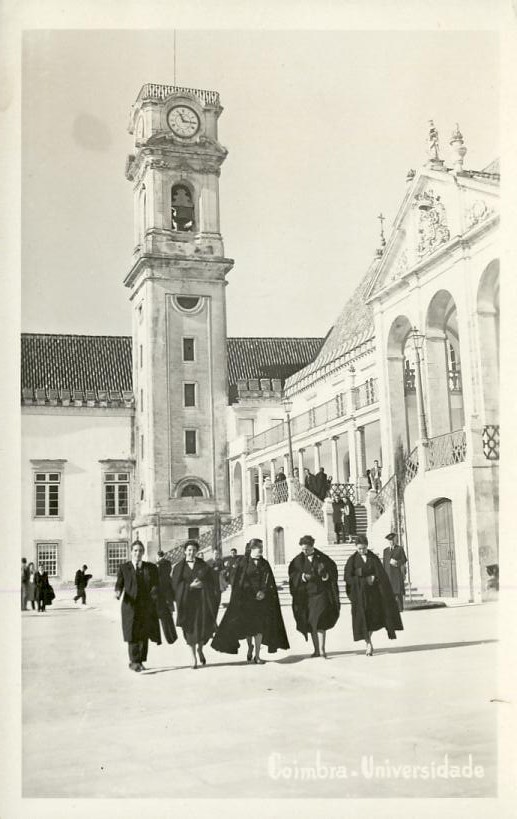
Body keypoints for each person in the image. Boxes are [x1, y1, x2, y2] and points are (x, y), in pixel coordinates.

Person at [212, 538, 289, 663]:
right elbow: (238, 581)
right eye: (259, 548)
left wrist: (263, 592)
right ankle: (250, 647)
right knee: (249, 628)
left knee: (259, 628)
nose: (261, 550)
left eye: (262, 548)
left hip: (261, 601)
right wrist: (251, 592)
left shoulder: (265, 564)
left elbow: (268, 580)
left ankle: (257, 655)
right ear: (252, 549)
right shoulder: (243, 563)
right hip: (247, 600)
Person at [344, 534, 403, 656]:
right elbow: (348, 578)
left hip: (374, 596)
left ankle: (368, 641)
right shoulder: (352, 560)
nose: (362, 551)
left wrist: (375, 578)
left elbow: (381, 574)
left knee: (371, 620)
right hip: (360, 596)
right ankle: (368, 644)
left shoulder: (373, 558)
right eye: (359, 548)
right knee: (363, 619)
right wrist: (363, 579)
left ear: (367, 546)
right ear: (356, 547)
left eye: (364, 548)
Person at [288, 535, 340, 658]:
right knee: (312, 622)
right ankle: (316, 649)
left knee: (321, 620)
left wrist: (325, 576)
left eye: (306, 549)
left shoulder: (323, 558)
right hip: (306, 596)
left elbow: (333, 572)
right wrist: (302, 577)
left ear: (312, 547)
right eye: (302, 549)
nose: (304, 552)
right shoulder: (297, 561)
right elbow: (292, 575)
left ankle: (322, 650)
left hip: (321, 594)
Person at [171, 540, 220, 669]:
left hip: (202, 602)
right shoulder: (178, 567)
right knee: (190, 630)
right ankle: (193, 658)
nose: (191, 552)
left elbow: (211, 582)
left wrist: (203, 585)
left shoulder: (203, 565)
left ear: (197, 551)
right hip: (187, 604)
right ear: (185, 551)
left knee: (203, 628)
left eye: (194, 550)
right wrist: (189, 586)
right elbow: (175, 585)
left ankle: (200, 649)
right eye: (189, 550)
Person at [115, 539, 161, 672]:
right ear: (131, 552)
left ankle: (140, 661)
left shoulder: (151, 568)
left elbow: (155, 584)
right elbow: (119, 583)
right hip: (130, 606)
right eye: (135, 550)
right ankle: (134, 661)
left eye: (140, 551)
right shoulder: (124, 567)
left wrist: (154, 595)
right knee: (132, 633)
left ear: (143, 552)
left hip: (146, 605)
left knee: (144, 634)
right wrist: (117, 592)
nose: (138, 553)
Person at [155, 550, 178, 645]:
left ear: (158, 556)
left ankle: (168, 637)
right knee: (169, 614)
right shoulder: (168, 563)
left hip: (160, 591)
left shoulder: (157, 565)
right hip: (169, 590)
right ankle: (173, 635)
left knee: (162, 616)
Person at [382, 533, 408, 611]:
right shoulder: (385, 550)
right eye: (390, 540)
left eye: (393, 540)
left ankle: (400, 608)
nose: (391, 542)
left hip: (396, 574)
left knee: (398, 591)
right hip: (388, 574)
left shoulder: (399, 549)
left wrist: (397, 563)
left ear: (395, 540)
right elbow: (384, 563)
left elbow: (404, 560)